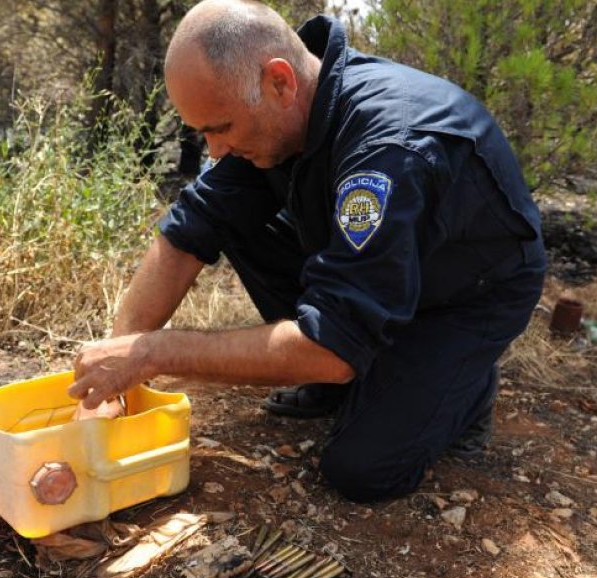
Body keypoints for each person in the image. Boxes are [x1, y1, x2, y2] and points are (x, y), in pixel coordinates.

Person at [69, 0, 546, 502]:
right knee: (232, 221)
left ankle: (464, 388)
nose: (213, 151)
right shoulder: (271, 112)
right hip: (380, 274)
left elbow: (333, 347)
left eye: (221, 128)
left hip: (465, 294)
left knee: (362, 470)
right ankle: (351, 377)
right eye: (203, 131)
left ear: (280, 81)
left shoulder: (388, 150)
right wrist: (113, 372)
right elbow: (191, 229)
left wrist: (152, 354)